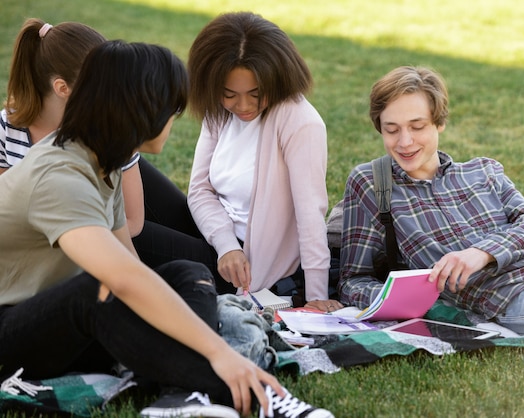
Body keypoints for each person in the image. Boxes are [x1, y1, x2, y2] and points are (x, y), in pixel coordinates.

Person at [0, 40, 333, 418]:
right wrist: (219, 352)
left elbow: (133, 266)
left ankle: (181, 393)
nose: (175, 121)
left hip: (63, 330)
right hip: (11, 333)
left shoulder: (101, 161)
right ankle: (253, 395)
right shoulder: (58, 176)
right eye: (172, 110)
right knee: (98, 290)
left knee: (188, 273)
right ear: (145, 110)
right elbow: (122, 279)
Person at [339, 65, 524, 337]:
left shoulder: (483, 171)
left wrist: (482, 253)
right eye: (392, 130)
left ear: (439, 123)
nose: (404, 142)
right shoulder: (373, 183)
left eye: (417, 126)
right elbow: (353, 280)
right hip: (517, 298)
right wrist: (415, 300)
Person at [183, 11, 342, 312]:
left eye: (256, 94)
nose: (242, 106)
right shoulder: (218, 112)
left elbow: (310, 213)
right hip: (219, 239)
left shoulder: (300, 121)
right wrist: (225, 245)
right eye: (229, 94)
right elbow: (200, 190)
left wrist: (316, 295)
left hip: (246, 266)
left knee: (136, 239)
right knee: (138, 184)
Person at [0, 18, 145, 237]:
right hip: (75, 243)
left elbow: (133, 221)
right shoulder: (7, 128)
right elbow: (8, 214)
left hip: (109, 233)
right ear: (62, 87)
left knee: (196, 248)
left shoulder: (107, 127)